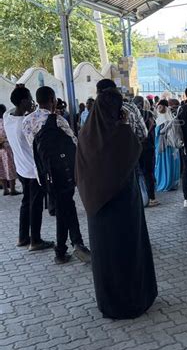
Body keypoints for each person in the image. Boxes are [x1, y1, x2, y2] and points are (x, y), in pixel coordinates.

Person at [76, 87, 157, 319]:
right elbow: (136, 149)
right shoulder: (120, 134)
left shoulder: (85, 134)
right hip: (123, 209)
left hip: (98, 211)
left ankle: (109, 302)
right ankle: (133, 300)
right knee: (128, 253)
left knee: (106, 257)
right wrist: (123, 126)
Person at [22, 86, 90, 264]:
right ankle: (62, 250)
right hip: (63, 173)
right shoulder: (58, 120)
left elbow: (32, 147)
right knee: (64, 208)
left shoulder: (27, 121)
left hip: (42, 174)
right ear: (52, 99)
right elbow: (74, 143)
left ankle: (75, 244)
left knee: (65, 206)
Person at [3, 87, 53, 251]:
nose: (33, 102)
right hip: (33, 171)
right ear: (23, 101)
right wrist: (32, 110)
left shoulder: (7, 118)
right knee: (35, 205)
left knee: (26, 202)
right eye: (30, 99)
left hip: (21, 169)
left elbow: (12, 108)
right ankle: (36, 240)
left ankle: (23, 237)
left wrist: (25, 105)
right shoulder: (24, 123)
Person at [133, 96, 158, 207]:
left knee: (138, 173)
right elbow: (153, 125)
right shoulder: (148, 114)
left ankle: (140, 198)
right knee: (148, 172)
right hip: (148, 147)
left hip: (136, 148)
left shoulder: (131, 116)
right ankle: (152, 198)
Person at [155, 100, 181, 192]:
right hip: (167, 145)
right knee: (168, 162)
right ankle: (170, 181)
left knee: (166, 162)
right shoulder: (168, 118)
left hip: (165, 145)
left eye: (160, 107)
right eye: (158, 107)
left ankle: (167, 182)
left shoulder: (164, 119)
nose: (158, 108)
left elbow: (160, 132)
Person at [0, 104, 19, 196]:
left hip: (0, 148)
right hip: (6, 147)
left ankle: (5, 190)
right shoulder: (6, 122)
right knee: (10, 167)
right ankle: (12, 189)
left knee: (1, 169)